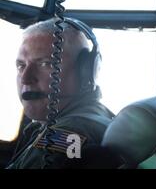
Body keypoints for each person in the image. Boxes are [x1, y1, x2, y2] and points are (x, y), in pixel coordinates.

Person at [6, 18, 115, 169]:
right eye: (21, 66)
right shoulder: (96, 116)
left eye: (46, 64)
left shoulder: (69, 134)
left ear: (86, 72)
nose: (25, 78)